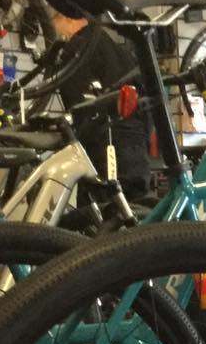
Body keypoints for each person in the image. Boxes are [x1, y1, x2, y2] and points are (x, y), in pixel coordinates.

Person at [51, 11, 153, 201]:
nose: (57, 32)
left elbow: (78, 105)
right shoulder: (113, 47)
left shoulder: (79, 48)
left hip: (106, 148)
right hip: (134, 146)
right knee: (135, 213)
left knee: (100, 214)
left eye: (56, 23)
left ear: (70, 18)